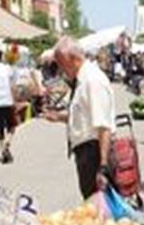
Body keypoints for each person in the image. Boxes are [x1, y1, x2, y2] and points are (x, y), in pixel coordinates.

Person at [43, 37, 116, 200]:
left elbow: (103, 126)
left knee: (99, 207)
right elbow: (84, 115)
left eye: (62, 64)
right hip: (86, 153)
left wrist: (103, 166)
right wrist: (59, 117)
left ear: (74, 59)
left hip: (95, 153)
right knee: (95, 205)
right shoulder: (82, 80)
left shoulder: (92, 81)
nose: (61, 69)